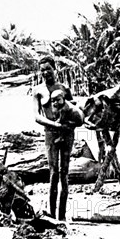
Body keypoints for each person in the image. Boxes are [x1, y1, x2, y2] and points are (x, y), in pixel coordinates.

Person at [33, 57, 83, 220]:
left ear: (55, 69)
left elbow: (73, 110)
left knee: (64, 173)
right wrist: (55, 125)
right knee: (53, 174)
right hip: (50, 134)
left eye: (48, 68)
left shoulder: (64, 88)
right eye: (43, 70)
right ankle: (52, 216)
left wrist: (68, 125)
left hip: (67, 134)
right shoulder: (38, 90)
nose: (46, 72)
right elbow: (37, 117)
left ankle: (62, 216)